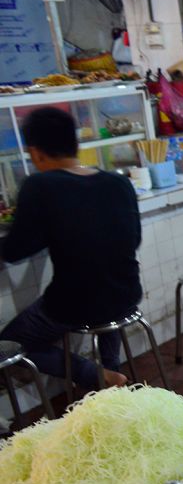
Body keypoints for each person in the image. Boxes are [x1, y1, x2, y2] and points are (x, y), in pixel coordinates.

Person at [0, 107, 141, 390]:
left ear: (35, 152)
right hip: (127, 293)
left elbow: (15, 250)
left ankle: (98, 376)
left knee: (11, 346)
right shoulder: (118, 182)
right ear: (75, 144)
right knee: (105, 293)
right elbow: (132, 239)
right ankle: (111, 377)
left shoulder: (39, 185)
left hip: (75, 304)